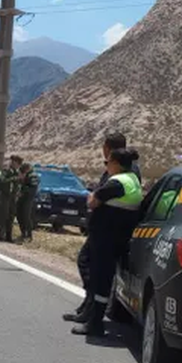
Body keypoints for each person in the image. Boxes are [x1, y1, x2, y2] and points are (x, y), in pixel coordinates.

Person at [65, 132, 142, 323]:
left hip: (108, 234)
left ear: (109, 150)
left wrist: (94, 197)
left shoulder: (121, 175)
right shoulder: (124, 172)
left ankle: (93, 314)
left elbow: (96, 198)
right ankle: (89, 307)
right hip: (104, 232)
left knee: (97, 272)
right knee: (89, 265)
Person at [14, 158, 40, 244]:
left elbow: (32, 189)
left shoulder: (33, 176)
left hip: (28, 199)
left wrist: (22, 189)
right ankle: (23, 233)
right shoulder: (24, 174)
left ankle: (28, 235)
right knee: (19, 215)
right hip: (22, 198)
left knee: (26, 216)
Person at [0, 163, 20, 242]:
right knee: (3, 215)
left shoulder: (16, 172)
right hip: (4, 196)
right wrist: (12, 179)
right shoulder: (6, 171)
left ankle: (8, 236)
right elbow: (2, 181)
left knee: (11, 216)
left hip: (12, 197)